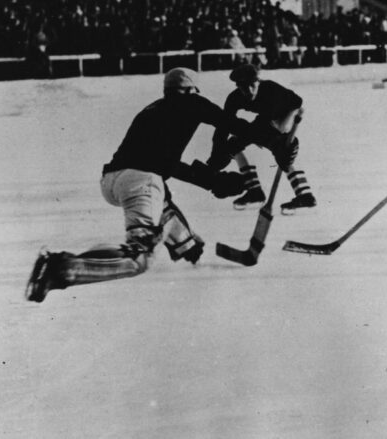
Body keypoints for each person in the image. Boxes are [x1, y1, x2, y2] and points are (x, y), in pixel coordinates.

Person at [24, 68, 252, 303]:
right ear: (189, 90)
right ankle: (63, 268)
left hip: (112, 181)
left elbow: (166, 165)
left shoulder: (153, 110)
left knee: (161, 201)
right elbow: (228, 123)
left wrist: (212, 182)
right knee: (139, 257)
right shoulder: (191, 102)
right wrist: (271, 135)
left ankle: (187, 244)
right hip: (140, 181)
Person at [208, 63, 315, 214]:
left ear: (259, 81)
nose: (249, 91)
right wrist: (217, 154)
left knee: (282, 149)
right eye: (244, 87)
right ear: (238, 86)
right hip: (267, 118)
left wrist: (237, 144)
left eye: (252, 85)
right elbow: (223, 125)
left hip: (289, 110)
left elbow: (265, 126)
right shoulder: (234, 98)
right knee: (234, 144)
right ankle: (255, 191)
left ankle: (305, 195)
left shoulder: (270, 90)